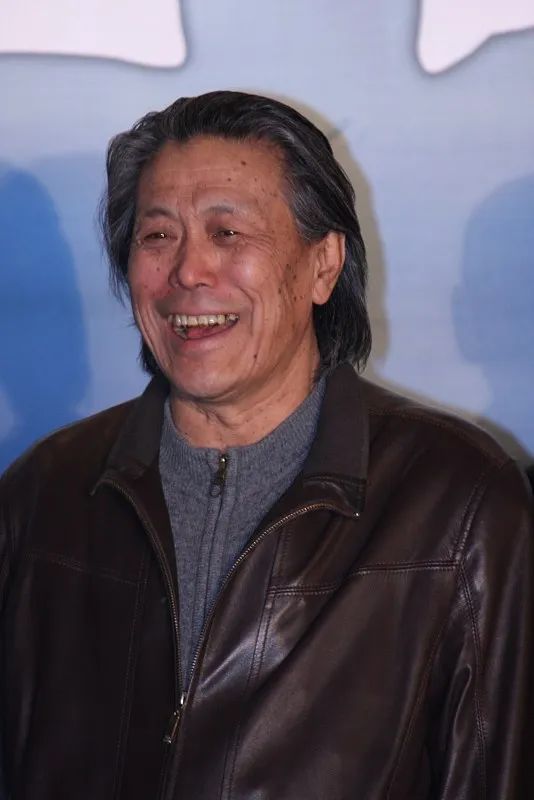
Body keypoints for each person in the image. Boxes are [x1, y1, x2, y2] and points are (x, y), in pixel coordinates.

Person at [0, 91, 532, 800]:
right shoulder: (44, 495)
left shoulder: (457, 504)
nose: (188, 271)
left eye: (227, 232)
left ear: (323, 265)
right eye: (157, 236)